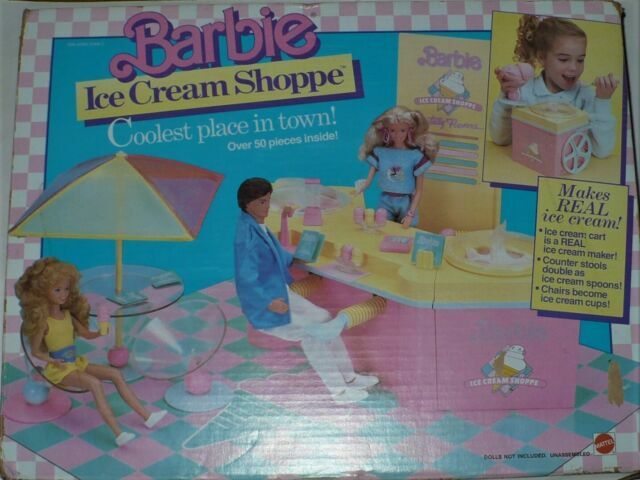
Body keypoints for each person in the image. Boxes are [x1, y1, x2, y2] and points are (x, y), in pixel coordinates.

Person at [233, 177, 378, 403]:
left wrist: (294, 258)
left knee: (325, 318)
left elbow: (274, 254)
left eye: (268, 200)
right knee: (313, 333)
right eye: (262, 202)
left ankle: (349, 378)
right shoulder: (246, 236)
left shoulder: (257, 224)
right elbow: (245, 279)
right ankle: (339, 392)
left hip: (280, 292)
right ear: (246, 204)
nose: (267, 206)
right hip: (264, 306)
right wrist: (267, 302)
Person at [15, 257, 167, 447]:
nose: (63, 294)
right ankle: (118, 433)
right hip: (59, 370)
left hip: (75, 363)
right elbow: (36, 352)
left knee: (115, 373)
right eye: (57, 290)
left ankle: (147, 416)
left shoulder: (68, 315)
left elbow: (87, 335)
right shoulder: (43, 323)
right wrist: (51, 361)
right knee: (95, 384)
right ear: (42, 292)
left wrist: (102, 329)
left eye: (66, 289)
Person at [489, 15, 618, 158]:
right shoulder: (524, 92)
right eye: (564, 59)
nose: (574, 67)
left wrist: (603, 101)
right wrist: (507, 95)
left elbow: (602, 151)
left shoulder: (585, 96)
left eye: (580, 60)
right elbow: (500, 139)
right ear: (542, 58)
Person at [356, 105, 438, 229]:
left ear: (409, 130)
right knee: (382, 228)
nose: (397, 135)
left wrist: (410, 214)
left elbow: (419, 190)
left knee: (406, 232)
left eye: (402, 130)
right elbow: (368, 181)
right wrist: (361, 187)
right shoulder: (380, 152)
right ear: (387, 131)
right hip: (385, 201)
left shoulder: (415, 156)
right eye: (393, 130)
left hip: (406, 203)